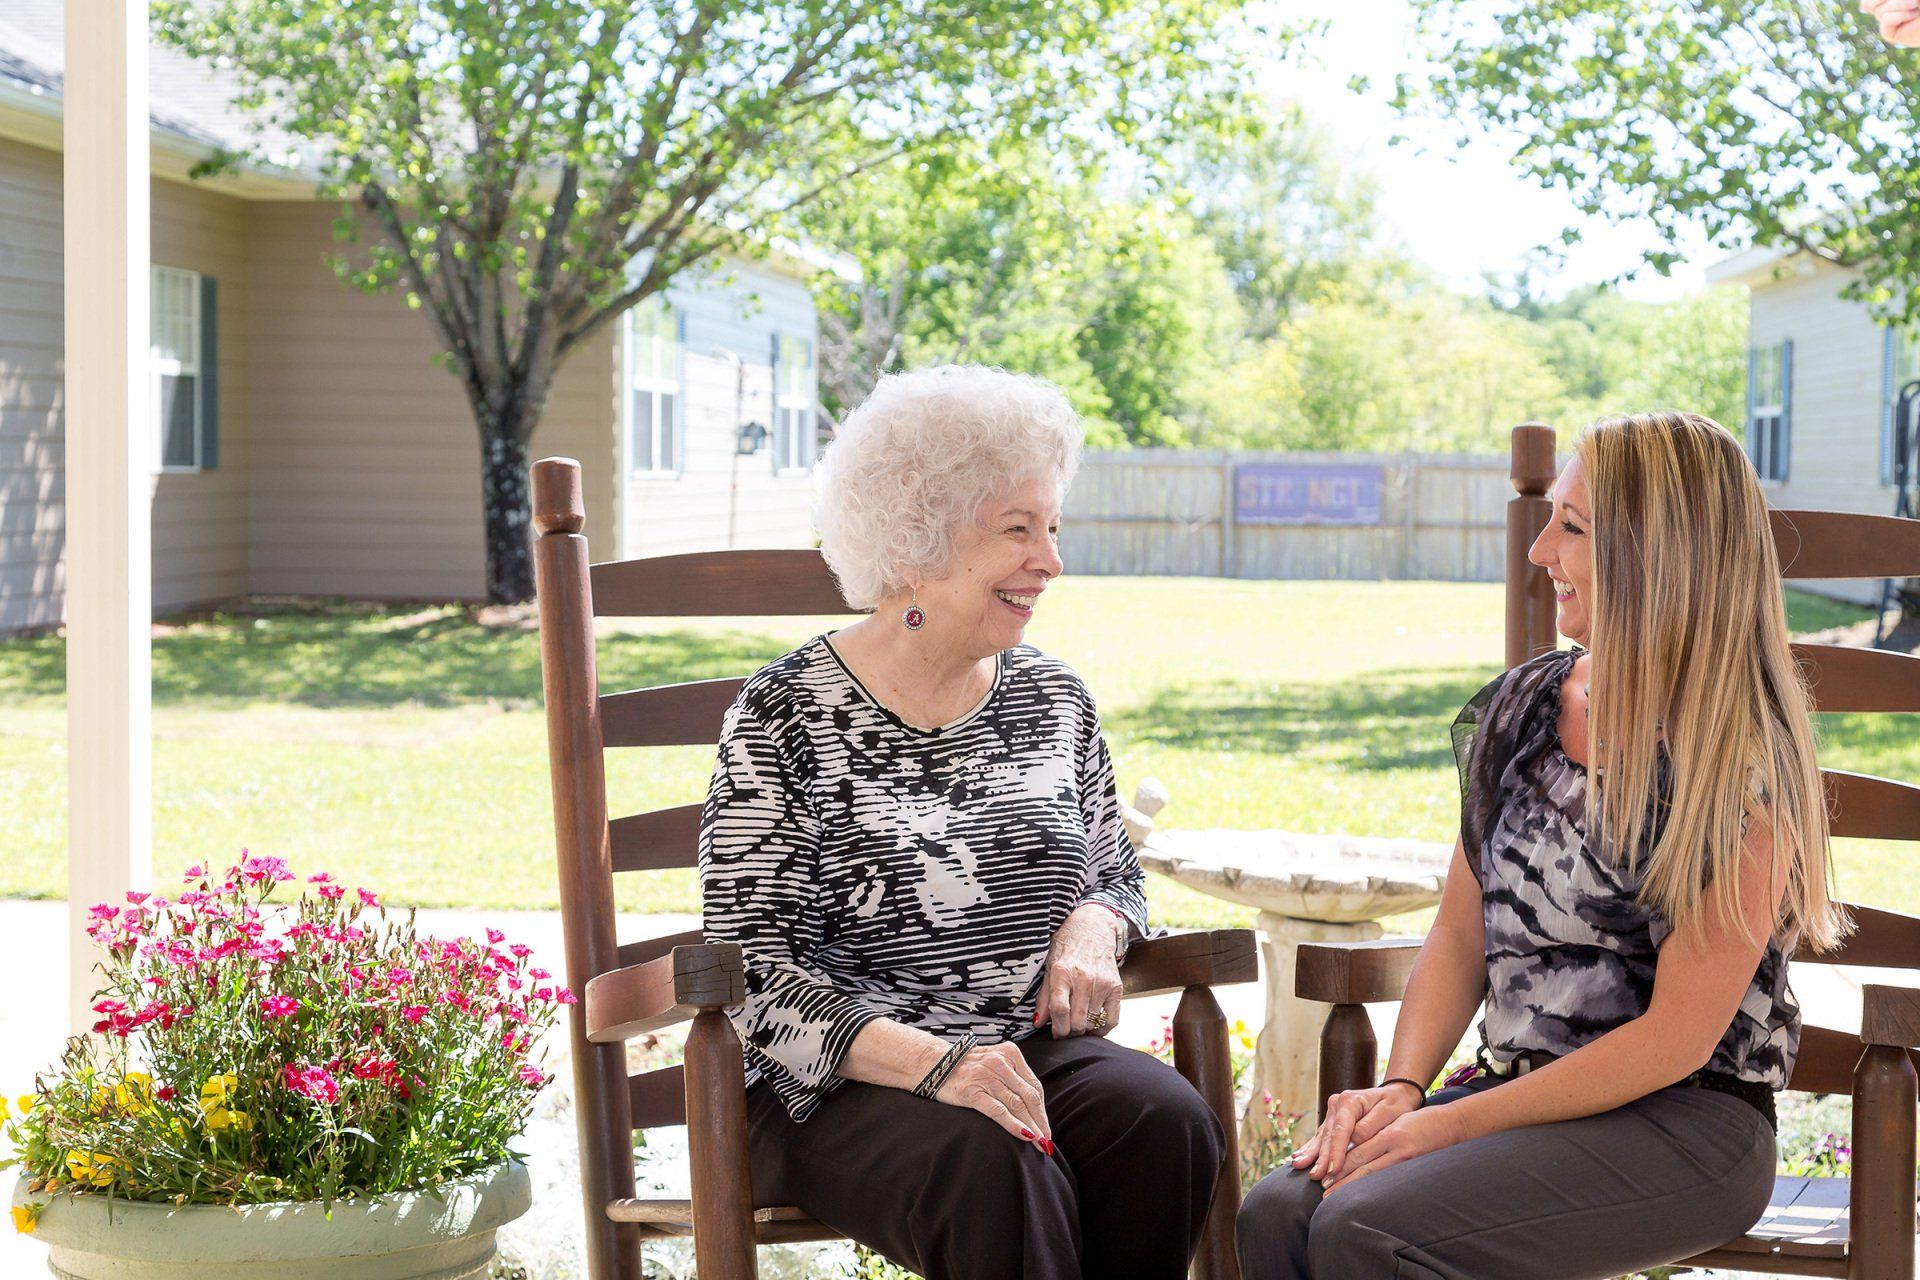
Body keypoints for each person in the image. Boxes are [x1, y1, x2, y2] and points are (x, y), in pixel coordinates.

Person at [1236, 411, 1848, 1279]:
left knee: (1363, 1229)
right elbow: (1460, 931)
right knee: (1279, 1213)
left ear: (1656, 555)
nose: (1540, 552)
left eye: (1573, 527)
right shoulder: (1522, 709)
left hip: (1687, 1123)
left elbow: (1673, 1041)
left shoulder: (1738, 758)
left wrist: (1440, 1126)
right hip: (1519, 1100)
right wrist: (1404, 1089)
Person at [699, 365, 1225, 1280]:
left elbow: (1114, 868)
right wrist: (942, 1068)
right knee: (996, 1158)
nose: (1051, 561)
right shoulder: (787, 712)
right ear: (917, 544)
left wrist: (1097, 925)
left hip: (1019, 1050)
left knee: (1165, 1122)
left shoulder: (1054, 697)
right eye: (1016, 530)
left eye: (1052, 527)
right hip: (839, 1083)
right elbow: (757, 977)